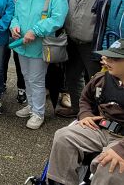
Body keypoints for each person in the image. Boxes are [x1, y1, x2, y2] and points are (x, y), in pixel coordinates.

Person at [47, 39, 124, 185]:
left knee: (109, 165)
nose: (106, 61)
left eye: (114, 59)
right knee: (64, 137)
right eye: (107, 56)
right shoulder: (102, 79)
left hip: (121, 139)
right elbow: (85, 98)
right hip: (101, 128)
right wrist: (85, 115)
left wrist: (121, 150)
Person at [57, 0, 121, 118]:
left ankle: (96, 115)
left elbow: (115, 19)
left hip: (94, 44)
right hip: (72, 41)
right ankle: (78, 110)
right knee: (72, 77)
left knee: (96, 81)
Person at [10, 0, 69, 129]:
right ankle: (31, 105)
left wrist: (35, 30)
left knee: (36, 80)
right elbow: (16, 15)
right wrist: (14, 26)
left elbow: (57, 18)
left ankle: (38, 113)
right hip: (22, 44)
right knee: (26, 77)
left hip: (40, 45)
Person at [46, 0, 80, 109]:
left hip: (70, 23)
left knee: (68, 59)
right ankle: (50, 87)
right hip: (52, 24)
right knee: (52, 57)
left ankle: (66, 92)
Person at [3, 0, 28, 104]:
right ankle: (2, 84)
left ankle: (21, 89)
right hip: (4, 31)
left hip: (20, 31)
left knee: (20, 61)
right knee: (3, 59)